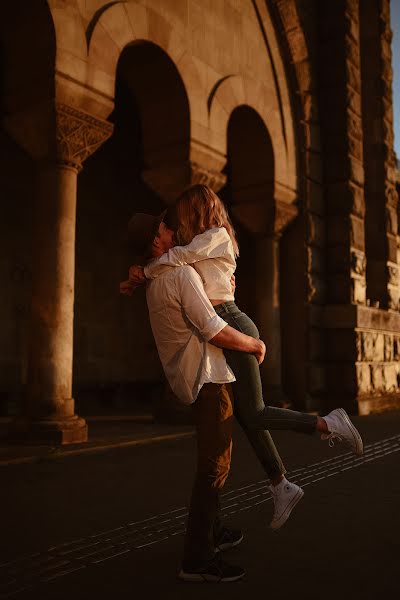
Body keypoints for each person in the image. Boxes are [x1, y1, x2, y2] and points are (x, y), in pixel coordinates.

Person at [123, 185, 364, 532]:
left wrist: (143, 272)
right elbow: (180, 268)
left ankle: (329, 424)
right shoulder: (200, 245)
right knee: (249, 416)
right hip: (223, 319)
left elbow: (176, 261)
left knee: (256, 410)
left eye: (183, 212)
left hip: (232, 321)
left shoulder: (216, 235)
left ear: (198, 210)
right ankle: (281, 485)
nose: (176, 221)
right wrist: (139, 273)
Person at [121, 209, 268, 583]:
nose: (172, 230)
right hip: (207, 380)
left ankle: (213, 531)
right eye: (164, 229)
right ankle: (197, 558)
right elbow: (214, 329)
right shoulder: (180, 275)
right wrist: (253, 343)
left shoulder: (158, 278)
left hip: (192, 378)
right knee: (214, 467)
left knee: (214, 460)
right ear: (157, 242)